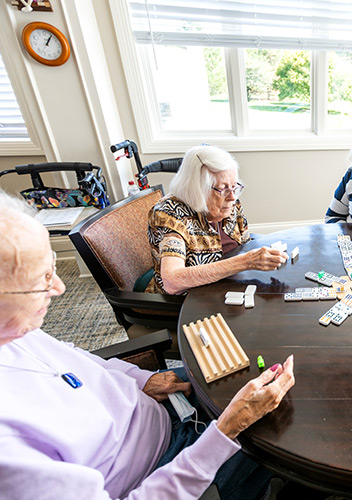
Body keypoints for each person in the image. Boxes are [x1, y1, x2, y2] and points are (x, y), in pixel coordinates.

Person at [0, 190, 296, 499]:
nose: (60, 288)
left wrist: (143, 379)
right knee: (273, 421)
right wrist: (225, 432)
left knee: (261, 376)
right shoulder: (8, 455)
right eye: (41, 279)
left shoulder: (16, 329)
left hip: (158, 409)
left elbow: (75, 361)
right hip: (159, 469)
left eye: (54, 268)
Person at [145, 145, 288, 295]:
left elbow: (245, 246)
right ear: (197, 189)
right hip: (190, 302)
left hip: (231, 289)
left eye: (234, 187)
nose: (232, 197)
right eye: (223, 189)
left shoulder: (231, 204)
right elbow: (172, 281)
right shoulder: (169, 214)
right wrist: (245, 262)